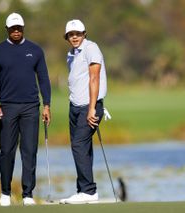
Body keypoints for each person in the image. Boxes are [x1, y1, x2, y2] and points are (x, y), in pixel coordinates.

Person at [0, 12, 51, 206]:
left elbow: (44, 79)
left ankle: (28, 195)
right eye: (13, 28)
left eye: (19, 28)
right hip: (7, 107)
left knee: (29, 150)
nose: (16, 31)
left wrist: (46, 104)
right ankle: (5, 193)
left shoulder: (36, 50)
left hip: (31, 106)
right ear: (7, 29)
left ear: (23, 28)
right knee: (6, 151)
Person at [59, 19, 107, 204]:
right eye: (71, 34)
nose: (75, 37)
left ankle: (88, 191)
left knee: (78, 145)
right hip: (75, 107)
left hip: (89, 107)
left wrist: (93, 108)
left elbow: (94, 78)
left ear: (84, 33)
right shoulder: (70, 54)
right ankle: (83, 190)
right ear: (67, 37)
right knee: (83, 148)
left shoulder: (91, 48)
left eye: (78, 33)